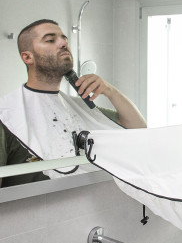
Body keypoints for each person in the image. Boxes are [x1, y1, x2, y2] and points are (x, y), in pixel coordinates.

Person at [0, 19, 146, 187]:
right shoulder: (6, 114)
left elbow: (138, 129)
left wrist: (110, 91)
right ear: (27, 57)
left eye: (64, 39)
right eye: (50, 39)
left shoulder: (79, 106)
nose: (63, 43)